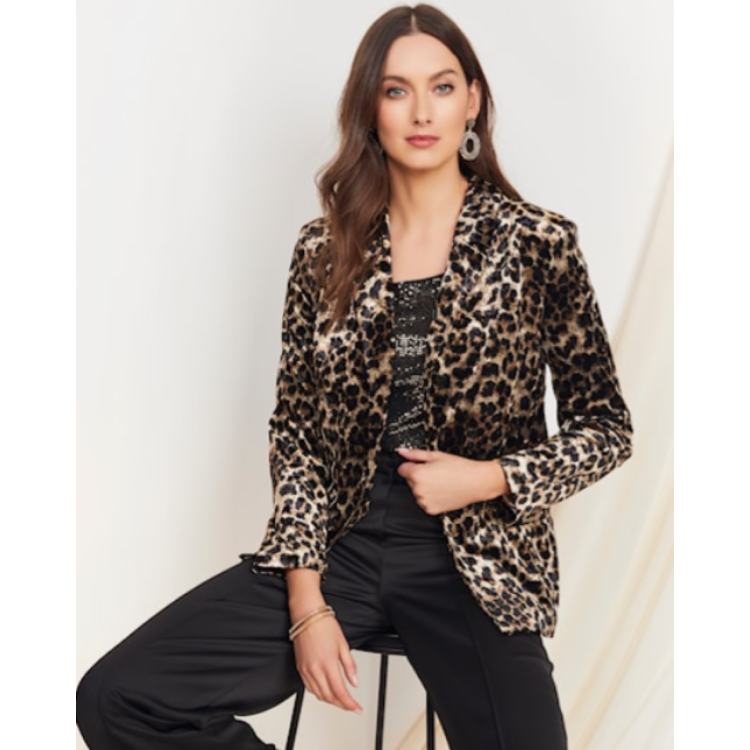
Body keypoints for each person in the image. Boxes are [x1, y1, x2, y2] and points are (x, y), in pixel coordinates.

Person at [76, 4, 633, 749]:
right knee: (118, 696)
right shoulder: (324, 249)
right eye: (397, 90)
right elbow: (297, 431)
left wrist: (487, 477)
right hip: (342, 543)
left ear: (472, 100)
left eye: (442, 87)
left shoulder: (537, 242)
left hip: (473, 555)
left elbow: (607, 428)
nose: (422, 111)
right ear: (370, 109)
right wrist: (306, 599)